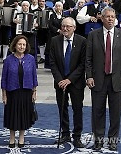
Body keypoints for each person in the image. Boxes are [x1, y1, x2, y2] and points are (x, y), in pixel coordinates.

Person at [86, 7, 121, 151]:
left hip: (117, 80)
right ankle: (98, 140)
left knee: (115, 112)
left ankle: (113, 141)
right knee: (97, 112)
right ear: (102, 18)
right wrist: (89, 76)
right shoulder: (93, 35)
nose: (110, 19)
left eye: (113, 16)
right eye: (107, 16)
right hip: (98, 80)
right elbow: (88, 59)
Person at [50, 17, 86, 148]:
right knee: (62, 108)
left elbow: (83, 64)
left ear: (74, 28)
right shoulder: (55, 41)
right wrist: (60, 80)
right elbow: (52, 62)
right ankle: (65, 134)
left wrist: (69, 80)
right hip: (60, 82)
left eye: (68, 27)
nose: (65, 28)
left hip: (75, 82)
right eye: (63, 26)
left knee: (77, 109)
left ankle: (77, 136)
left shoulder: (82, 41)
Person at [1, 35, 38, 148]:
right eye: (19, 44)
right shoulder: (8, 60)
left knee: (24, 115)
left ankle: (21, 137)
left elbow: (34, 76)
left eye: (24, 44)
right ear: (15, 45)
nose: (21, 46)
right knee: (12, 115)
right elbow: (4, 78)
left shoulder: (31, 59)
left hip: (26, 92)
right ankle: (12, 137)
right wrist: (4, 95)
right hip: (12, 92)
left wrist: (34, 92)